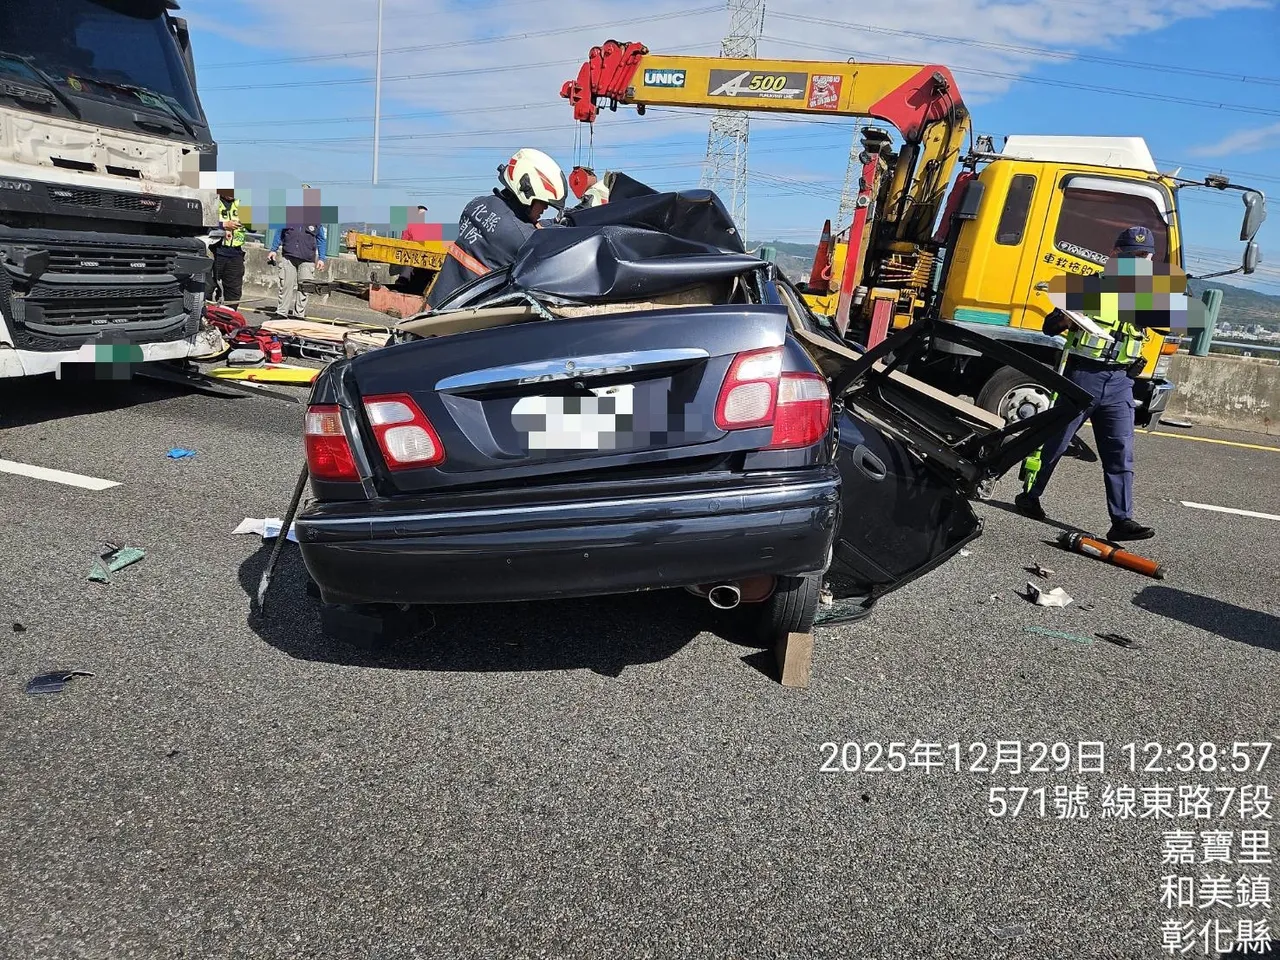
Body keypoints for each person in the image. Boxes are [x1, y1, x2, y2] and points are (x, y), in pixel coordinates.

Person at [1015, 226, 1160, 541]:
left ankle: (1121, 521)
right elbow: (1048, 327)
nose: (1137, 263)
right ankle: (1029, 495)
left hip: (1121, 381)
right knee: (1055, 441)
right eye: (1130, 256)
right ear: (1114, 255)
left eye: (1143, 257)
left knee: (1121, 450)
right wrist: (1068, 318)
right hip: (1083, 376)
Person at [425, 148, 567, 309]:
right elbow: (543, 241)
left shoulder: (476, 205)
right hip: (463, 323)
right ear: (527, 192)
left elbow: (515, 225)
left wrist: (554, 222)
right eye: (544, 203)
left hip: (435, 308)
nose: (545, 210)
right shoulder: (520, 237)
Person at [269, 218, 327, 320]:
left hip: (307, 260)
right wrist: (273, 250)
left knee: (304, 289)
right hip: (288, 256)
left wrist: (322, 258)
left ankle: (299, 315)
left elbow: (321, 239)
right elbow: (279, 233)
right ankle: (282, 313)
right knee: (286, 285)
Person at [208, 187, 248, 308]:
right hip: (215, 250)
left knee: (234, 293)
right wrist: (223, 225)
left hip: (235, 253)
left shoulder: (241, 203)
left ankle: (229, 320)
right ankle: (206, 318)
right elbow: (204, 222)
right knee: (207, 288)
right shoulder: (212, 201)